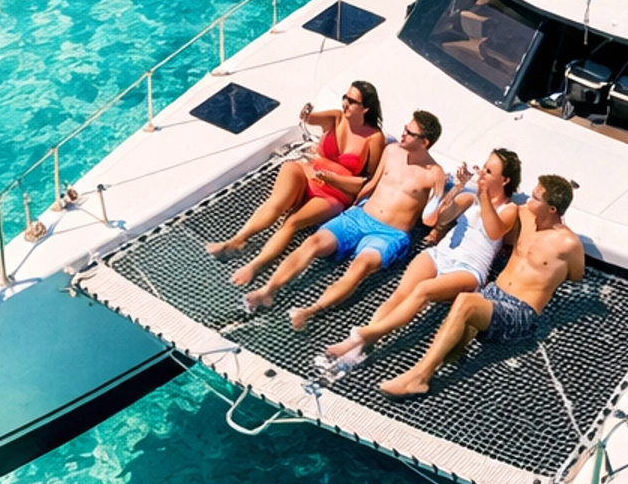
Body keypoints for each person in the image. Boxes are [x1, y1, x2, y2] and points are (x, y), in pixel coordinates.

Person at [316, 148, 522, 375]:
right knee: (400, 294)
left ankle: (362, 337)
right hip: (440, 254)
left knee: (423, 290)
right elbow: (441, 218)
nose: (481, 173)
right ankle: (359, 346)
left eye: (489, 171)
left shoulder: (509, 209)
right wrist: (458, 187)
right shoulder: (470, 198)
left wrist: (484, 196)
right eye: (483, 167)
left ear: (505, 180)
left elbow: (494, 232)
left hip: (469, 269)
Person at [379, 175, 583, 395]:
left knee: (466, 302)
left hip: (519, 312)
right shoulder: (524, 215)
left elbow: (576, 274)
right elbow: (492, 225)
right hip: (493, 294)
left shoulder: (568, 244)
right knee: (452, 349)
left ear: (552, 209)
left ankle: (419, 377)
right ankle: (431, 363)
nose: (527, 201)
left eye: (534, 198)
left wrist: (545, 278)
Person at [241, 112, 447, 327]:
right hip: (359, 217)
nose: (402, 135)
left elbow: (432, 218)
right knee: (312, 243)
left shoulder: (434, 174)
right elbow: (371, 185)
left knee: (360, 266)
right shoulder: (391, 151)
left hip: (388, 233)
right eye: (404, 129)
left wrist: (448, 196)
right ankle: (267, 291)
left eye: (409, 133)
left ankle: (310, 310)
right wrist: (351, 203)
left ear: (424, 142)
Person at [207, 83, 385, 279]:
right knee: (276, 203)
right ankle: (237, 241)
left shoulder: (374, 138)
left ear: (365, 108)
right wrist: (306, 112)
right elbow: (307, 118)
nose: (345, 103)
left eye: (352, 102)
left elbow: (367, 181)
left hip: (337, 190)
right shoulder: (336, 117)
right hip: (309, 172)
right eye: (345, 97)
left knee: (292, 222)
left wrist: (335, 180)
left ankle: (256, 266)